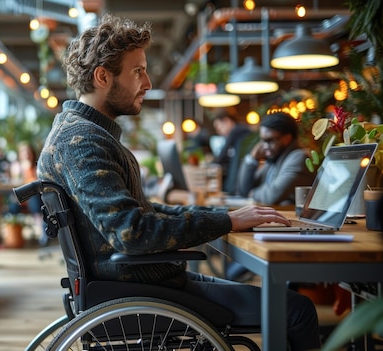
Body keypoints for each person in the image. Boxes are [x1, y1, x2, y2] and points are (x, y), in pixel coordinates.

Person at [36, 13, 320, 351]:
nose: (148, 83)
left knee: (283, 300)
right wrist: (226, 219)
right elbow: (131, 231)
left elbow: (139, 213)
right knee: (298, 310)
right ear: (102, 77)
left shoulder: (81, 134)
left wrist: (225, 217)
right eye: (137, 71)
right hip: (140, 286)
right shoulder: (82, 142)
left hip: (146, 278)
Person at [236, 112, 316, 206]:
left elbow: (271, 196)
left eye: (270, 140)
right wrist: (252, 159)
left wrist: (252, 193)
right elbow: (243, 190)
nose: (264, 146)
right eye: (263, 140)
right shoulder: (274, 159)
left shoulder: (299, 157)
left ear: (287, 138)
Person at [211, 108, 255, 195]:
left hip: (239, 186)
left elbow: (221, 157)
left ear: (226, 121)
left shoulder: (237, 132)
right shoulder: (243, 133)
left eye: (218, 126)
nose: (218, 131)